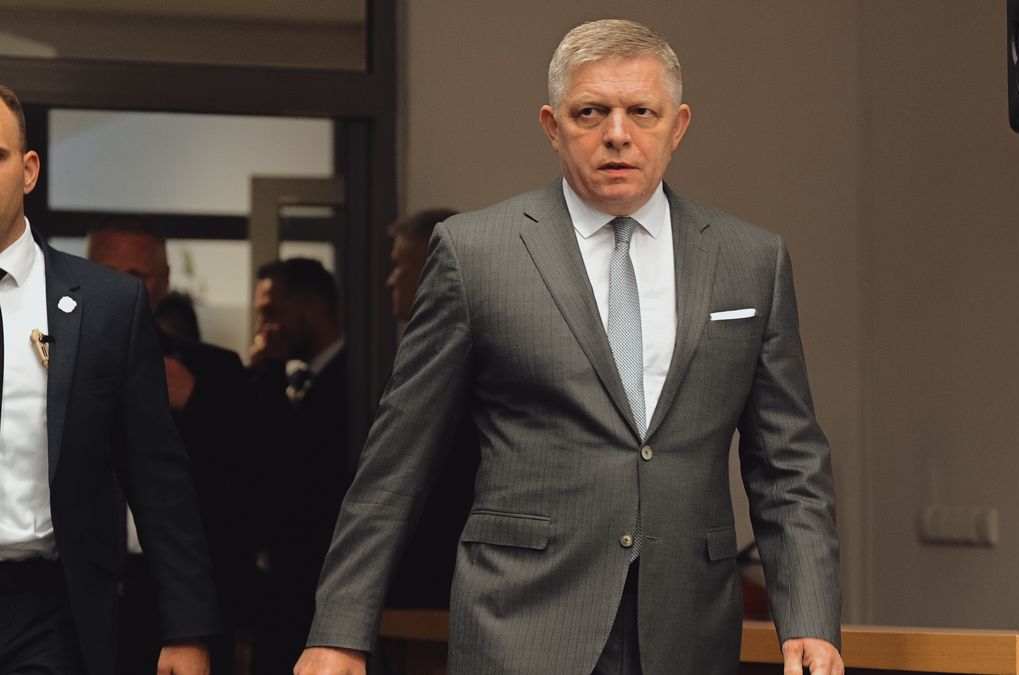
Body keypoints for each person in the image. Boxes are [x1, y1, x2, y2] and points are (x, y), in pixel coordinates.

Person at [298, 18, 843, 675]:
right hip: (522, 627)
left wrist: (808, 617)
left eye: (642, 111)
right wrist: (338, 631)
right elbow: (397, 460)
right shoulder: (477, 253)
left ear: (679, 125)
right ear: (554, 126)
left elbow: (788, 463)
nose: (618, 132)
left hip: (686, 631)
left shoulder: (751, 260)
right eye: (592, 112)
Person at [0, 85, 221, 675]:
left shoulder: (105, 305)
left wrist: (187, 629)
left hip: (47, 608)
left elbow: (156, 474)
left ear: (28, 171)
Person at [86, 220, 252, 675]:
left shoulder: (213, 371)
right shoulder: (53, 358)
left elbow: (254, 477)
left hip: (175, 593)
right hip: (76, 591)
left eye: (137, 275)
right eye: (107, 270)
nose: (121, 286)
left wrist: (197, 402)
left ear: (162, 283)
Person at [246, 258, 349, 675]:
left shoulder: (356, 379)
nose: (264, 328)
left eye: (272, 313)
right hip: (280, 586)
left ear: (311, 308)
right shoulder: (291, 380)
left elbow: (290, 466)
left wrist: (266, 370)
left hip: (320, 582)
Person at [381, 208, 479, 611]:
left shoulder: (462, 351)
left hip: (443, 586)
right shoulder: (423, 346)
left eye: (399, 264)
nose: (391, 279)